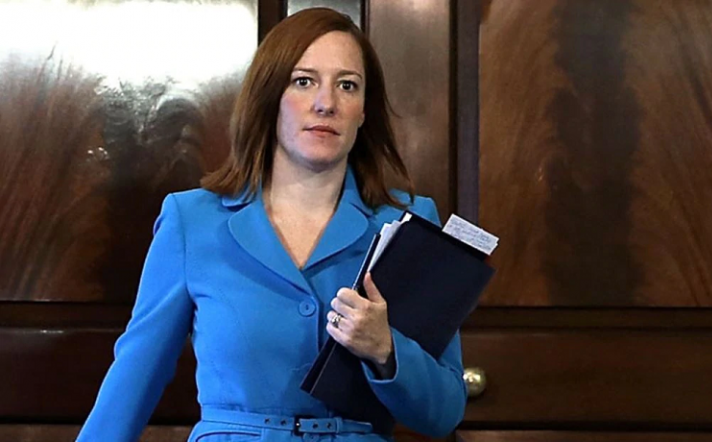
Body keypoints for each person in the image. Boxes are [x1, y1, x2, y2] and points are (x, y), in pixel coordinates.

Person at [77, 7, 467, 442]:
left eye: (347, 85)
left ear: (363, 111)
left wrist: (385, 350)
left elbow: (444, 412)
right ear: (269, 97)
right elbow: (134, 377)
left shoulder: (408, 224)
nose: (326, 103)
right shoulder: (192, 221)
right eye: (304, 81)